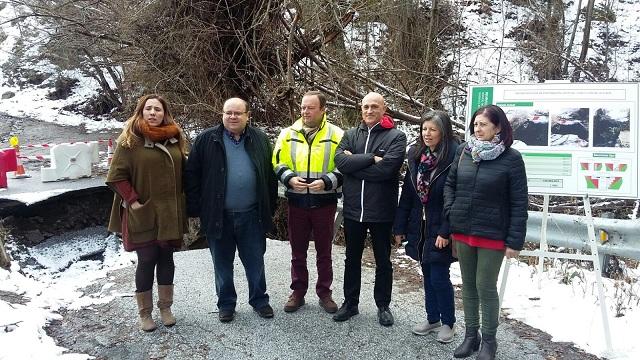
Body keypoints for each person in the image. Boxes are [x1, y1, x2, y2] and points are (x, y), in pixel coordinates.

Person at [444, 105, 528, 360]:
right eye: (475, 125)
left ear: (498, 127)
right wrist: (452, 211)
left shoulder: (511, 159)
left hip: (493, 234)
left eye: (483, 125)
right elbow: (450, 184)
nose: (477, 130)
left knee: (485, 286)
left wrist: (515, 240)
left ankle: (489, 341)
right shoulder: (464, 152)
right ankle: (471, 336)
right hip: (464, 231)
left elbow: (519, 201)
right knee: (468, 285)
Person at [185, 97, 278, 323]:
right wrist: (197, 209)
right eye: (228, 113)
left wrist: (269, 207)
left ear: (248, 116)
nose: (232, 117)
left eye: (238, 113)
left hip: (252, 215)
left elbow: (269, 176)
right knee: (222, 262)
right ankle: (226, 304)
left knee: (255, 261)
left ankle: (260, 300)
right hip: (219, 215)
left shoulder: (260, 139)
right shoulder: (207, 139)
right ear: (222, 115)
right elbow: (191, 176)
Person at [106, 94, 188, 332]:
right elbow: (116, 176)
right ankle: (145, 313)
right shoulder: (130, 141)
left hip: (169, 213)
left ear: (165, 114)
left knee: (167, 259)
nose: (153, 113)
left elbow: (184, 173)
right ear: (141, 112)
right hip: (143, 212)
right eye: (149, 109)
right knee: (146, 260)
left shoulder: (174, 139)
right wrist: (133, 201)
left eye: (158, 110)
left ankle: (166, 308)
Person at [333, 92, 407, 326]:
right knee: (351, 259)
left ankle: (383, 306)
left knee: (383, 261)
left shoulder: (396, 137)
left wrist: (354, 163)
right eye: (365, 106)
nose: (369, 110)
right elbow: (340, 162)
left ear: (384, 109)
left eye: (374, 106)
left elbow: (386, 171)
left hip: (382, 212)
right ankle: (350, 303)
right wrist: (371, 158)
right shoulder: (351, 134)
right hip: (354, 210)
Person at [273, 91, 344, 314]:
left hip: (325, 203)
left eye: (310, 108)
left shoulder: (337, 135)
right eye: (303, 107)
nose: (305, 112)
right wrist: (289, 178)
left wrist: (327, 181)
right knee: (297, 252)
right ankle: (298, 292)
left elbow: (345, 165)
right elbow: (276, 161)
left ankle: (325, 293)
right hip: (297, 202)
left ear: (323, 110)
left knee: (324, 252)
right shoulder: (288, 133)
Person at [393, 110, 459, 343]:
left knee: (439, 276)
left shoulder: (454, 157)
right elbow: (408, 195)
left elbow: (455, 198)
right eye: (424, 129)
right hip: (419, 226)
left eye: (433, 129)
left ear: (444, 131)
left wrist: (445, 231)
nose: (427, 134)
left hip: (439, 226)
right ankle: (433, 318)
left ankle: (448, 323)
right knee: (427, 274)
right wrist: (399, 227)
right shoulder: (417, 156)